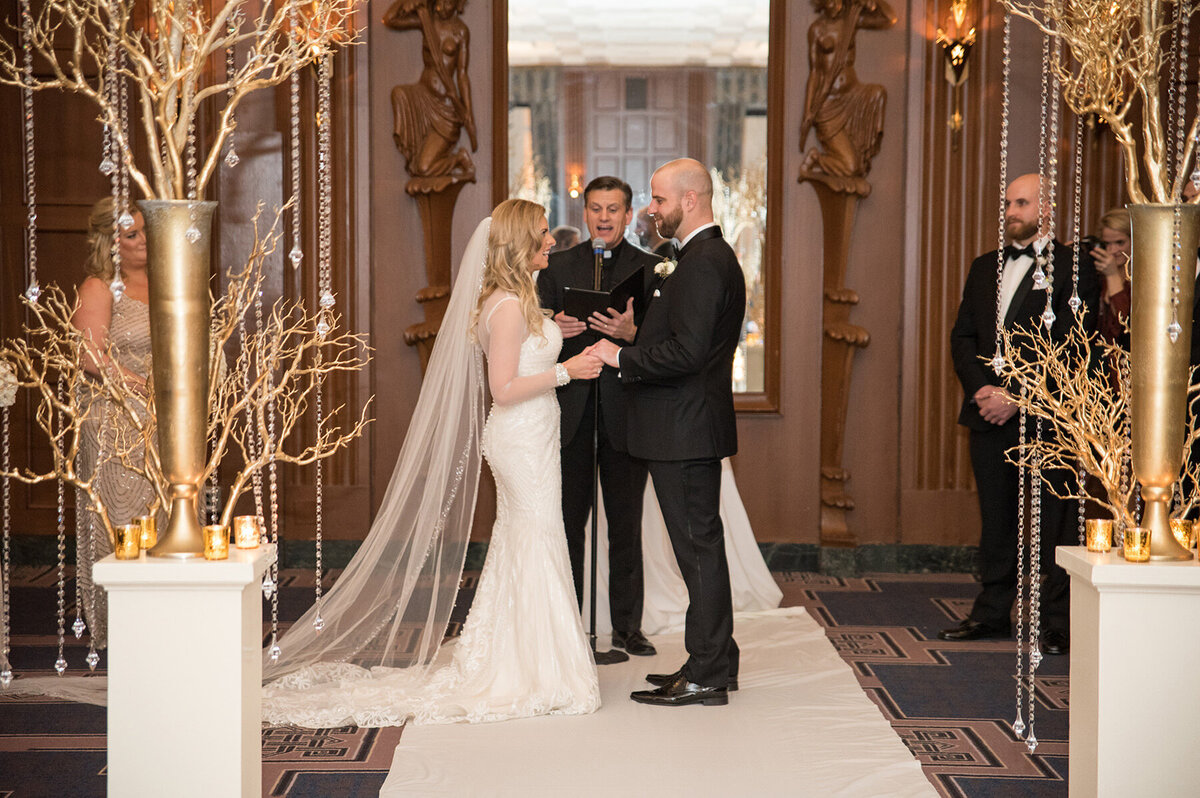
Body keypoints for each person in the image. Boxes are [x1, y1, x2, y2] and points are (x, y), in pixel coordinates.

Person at [262, 199, 604, 727]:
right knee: (537, 535)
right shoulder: (510, 306)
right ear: (520, 243)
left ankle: (528, 657)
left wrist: (552, 332)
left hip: (533, 435)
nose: (551, 240)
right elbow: (504, 388)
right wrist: (568, 371)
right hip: (521, 436)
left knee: (527, 537)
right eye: (542, 233)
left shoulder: (514, 299)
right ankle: (539, 667)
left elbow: (518, 353)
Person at [591, 158, 745, 707]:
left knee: (697, 552)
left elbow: (689, 352)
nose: (651, 210)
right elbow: (683, 335)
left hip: (684, 429)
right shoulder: (697, 258)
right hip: (684, 427)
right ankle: (714, 661)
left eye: (658, 200)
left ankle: (706, 672)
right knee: (699, 548)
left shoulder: (703, 262)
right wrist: (637, 334)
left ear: (690, 199)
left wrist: (621, 357)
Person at [942, 173, 1099, 656]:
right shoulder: (984, 265)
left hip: (1048, 420)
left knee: (1053, 522)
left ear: (1047, 209)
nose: (1011, 210)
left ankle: (1056, 622)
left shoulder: (1077, 269)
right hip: (987, 417)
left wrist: (1018, 395)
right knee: (996, 521)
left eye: (1022, 202)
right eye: (1008, 201)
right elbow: (963, 338)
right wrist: (983, 390)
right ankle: (992, 613)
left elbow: (1076, 348)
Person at [538, 176, 660, 657]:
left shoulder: (649, 268)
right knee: (569, 523)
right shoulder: (557, 265)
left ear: (628, 216)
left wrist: (633, 333)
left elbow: (664, 343)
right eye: (595, 209)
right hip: (570, 412)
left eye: (613, 209)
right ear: (584, 212)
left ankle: (627, 627)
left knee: (626, 526)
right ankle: (569, 625)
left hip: (627, 412)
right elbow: (528, 336)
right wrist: (553, 326)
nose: (604, 217)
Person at [71, 198, 155, 651]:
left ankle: (166, 619)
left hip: (164, 421)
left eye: (145, 231)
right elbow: (88, 355)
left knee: (161, 515)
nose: (143, 242)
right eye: (131, 234)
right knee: (119, 519)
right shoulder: (100, 287)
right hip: (113, 421)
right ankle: (119, 629)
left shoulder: (168, 283)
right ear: (110, 241)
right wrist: (137, 383)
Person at [1090, 208, 1131, 350]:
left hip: (1126, 358)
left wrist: (1112, 274)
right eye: (1107, 244)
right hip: (1095, 358)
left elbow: (1124, 324)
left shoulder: (1144, 278)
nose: (1113, 250)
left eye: (1120, 243)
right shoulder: (1097, 275)